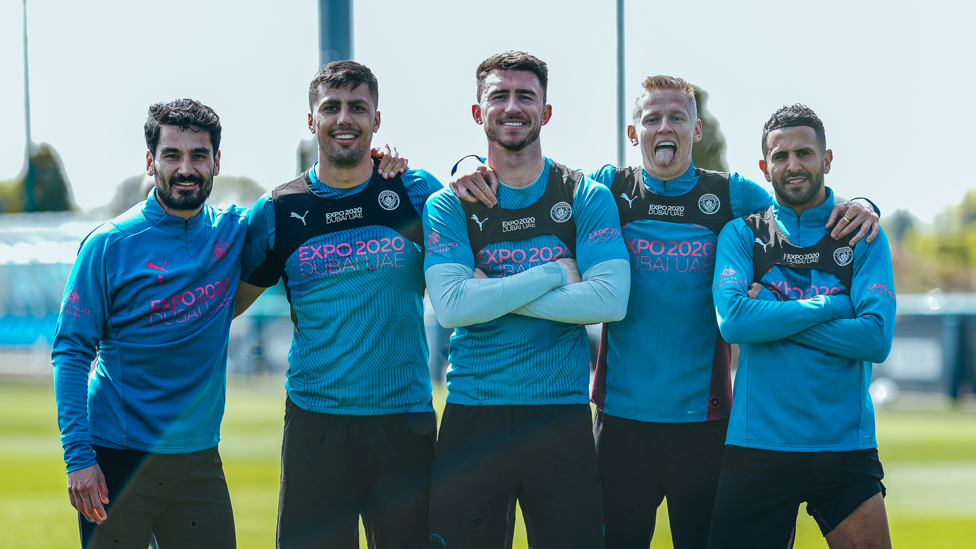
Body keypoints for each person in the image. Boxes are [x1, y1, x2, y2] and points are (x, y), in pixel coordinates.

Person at [449, 75, 880, 548]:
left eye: (677, 117)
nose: (664, 127)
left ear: (696, 130)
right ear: (633, 132)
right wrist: (467, 162)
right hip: (620, 425)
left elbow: (799, 199)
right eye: (652, 118)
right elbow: (532, 180)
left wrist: (862, 203)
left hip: (705, 426)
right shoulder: (606, 190)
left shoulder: (733, 196)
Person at [422, 51, 631, 548]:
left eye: (525, 96)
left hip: (559, 415)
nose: (511, 107)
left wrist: (489, 289)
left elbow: (610, 302)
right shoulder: (449, 203)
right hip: (475, 415)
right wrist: (554, 275)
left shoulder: (585, 195)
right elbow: (451, 309)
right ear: (478, 112)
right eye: (498, 96)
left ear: (546, 111)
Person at [233, 60, 441, 549]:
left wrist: (467, 162)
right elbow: (226, 307)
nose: (344, 117)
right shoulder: (277, 211)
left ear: (377, 120)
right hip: (316, 423)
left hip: (403, 419)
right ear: (312, 119)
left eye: (357, 107)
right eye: (331, 107)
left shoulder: (414, 191)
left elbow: (470, 269)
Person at [53, 98, 246, 549]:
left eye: (199, 155)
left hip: (198, 460)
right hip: (117, 458)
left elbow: (308, 199)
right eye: (172, 154)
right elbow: (70, 352)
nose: (186, 168)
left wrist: (379, 167)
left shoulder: (236, 231)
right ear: (150, 161)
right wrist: (78, 458)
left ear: (217, 162)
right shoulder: (108, 244)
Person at [709, 104, 895, 548]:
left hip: (843, 444)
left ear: (826, 160)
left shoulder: (861, 233)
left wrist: (772, 312)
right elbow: (734, 321)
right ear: (764, 167)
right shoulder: (741, 235)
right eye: (780, 156)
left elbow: (874, 337)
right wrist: (833, 306)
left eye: (804, 153)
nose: (792, 166)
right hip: (758, 445)